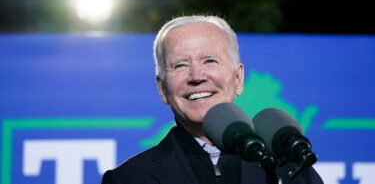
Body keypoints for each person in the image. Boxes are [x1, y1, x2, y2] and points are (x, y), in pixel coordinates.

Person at [101, 15, 323, 184]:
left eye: (209, 61)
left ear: (238, 78)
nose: (196, 76)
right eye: (180, 65)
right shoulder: (128, 179)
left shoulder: (287, 166)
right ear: (162, 89)